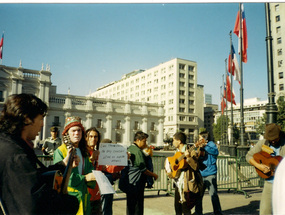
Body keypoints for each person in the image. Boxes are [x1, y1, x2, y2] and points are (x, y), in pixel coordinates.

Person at [0, 93, 79, 214]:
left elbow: (31, 179)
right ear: (27, 118)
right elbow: (34, 204)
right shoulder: (16, 155)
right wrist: (71, 203)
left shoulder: (9, 145)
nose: (42, 124)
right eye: (41, 118)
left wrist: (63, 164)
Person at [53, 116, 97, 215]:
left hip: (84, 197)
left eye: (79, 130)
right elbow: (62, 177)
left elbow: (89, 169)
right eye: (73, 131)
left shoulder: (83, 151)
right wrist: (85, 178)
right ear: (67, 133)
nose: (77, 133)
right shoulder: (60, 151)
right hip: (69, 199)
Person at [246, 123, 285, 215]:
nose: (273, 142)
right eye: (270, 140)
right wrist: (259, 166)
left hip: (283, 185)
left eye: (275, 139)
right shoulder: (263, 143)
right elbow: (249, 156)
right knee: (264, 211)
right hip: (269, 184)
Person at [165, 131, 203, 215]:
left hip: (187, 183)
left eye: (174, 140)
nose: (172, 142)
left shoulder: (190, 150)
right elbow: (175, 162)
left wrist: (189, 157)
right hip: (178, 182)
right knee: (177, 208)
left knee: (186, 208)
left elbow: (196, 167)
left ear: (179, 141)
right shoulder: (177, 152)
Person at [125, 131, 158, 215]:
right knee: (137, 207)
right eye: (144, 141)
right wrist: (154, 175)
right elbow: (143, 169)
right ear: (138, 140)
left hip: (130, 182)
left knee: (130, 206)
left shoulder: (130, 148)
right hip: (137, 183)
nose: (145, 143)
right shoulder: (138, 152)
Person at [195, 130, 222, 215]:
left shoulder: (211, 145)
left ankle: (217, 212)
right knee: (198, 195)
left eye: (200, 138)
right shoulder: (200, 146)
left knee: (213, 195)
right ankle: (198, 212)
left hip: (210, 173)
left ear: (205, 138)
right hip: (201, 173)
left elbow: (215, 152)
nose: (199, 140)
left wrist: (205, 146)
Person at [98, 138, 125, 215]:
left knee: (107, 206)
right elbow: (111, 168)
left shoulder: (104, 156)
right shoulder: (102, 157)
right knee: (105, 206)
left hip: (107, 183)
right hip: (104, 184)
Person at [85, 127, 102, 215]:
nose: (93, 139)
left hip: (96, 195)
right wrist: (91, 159)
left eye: (95, 137)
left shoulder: (99, 153)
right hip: (85, 194)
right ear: (86, 138)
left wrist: (122, 161)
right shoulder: (81, 153)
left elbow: (106, 168)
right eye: (90, 136)